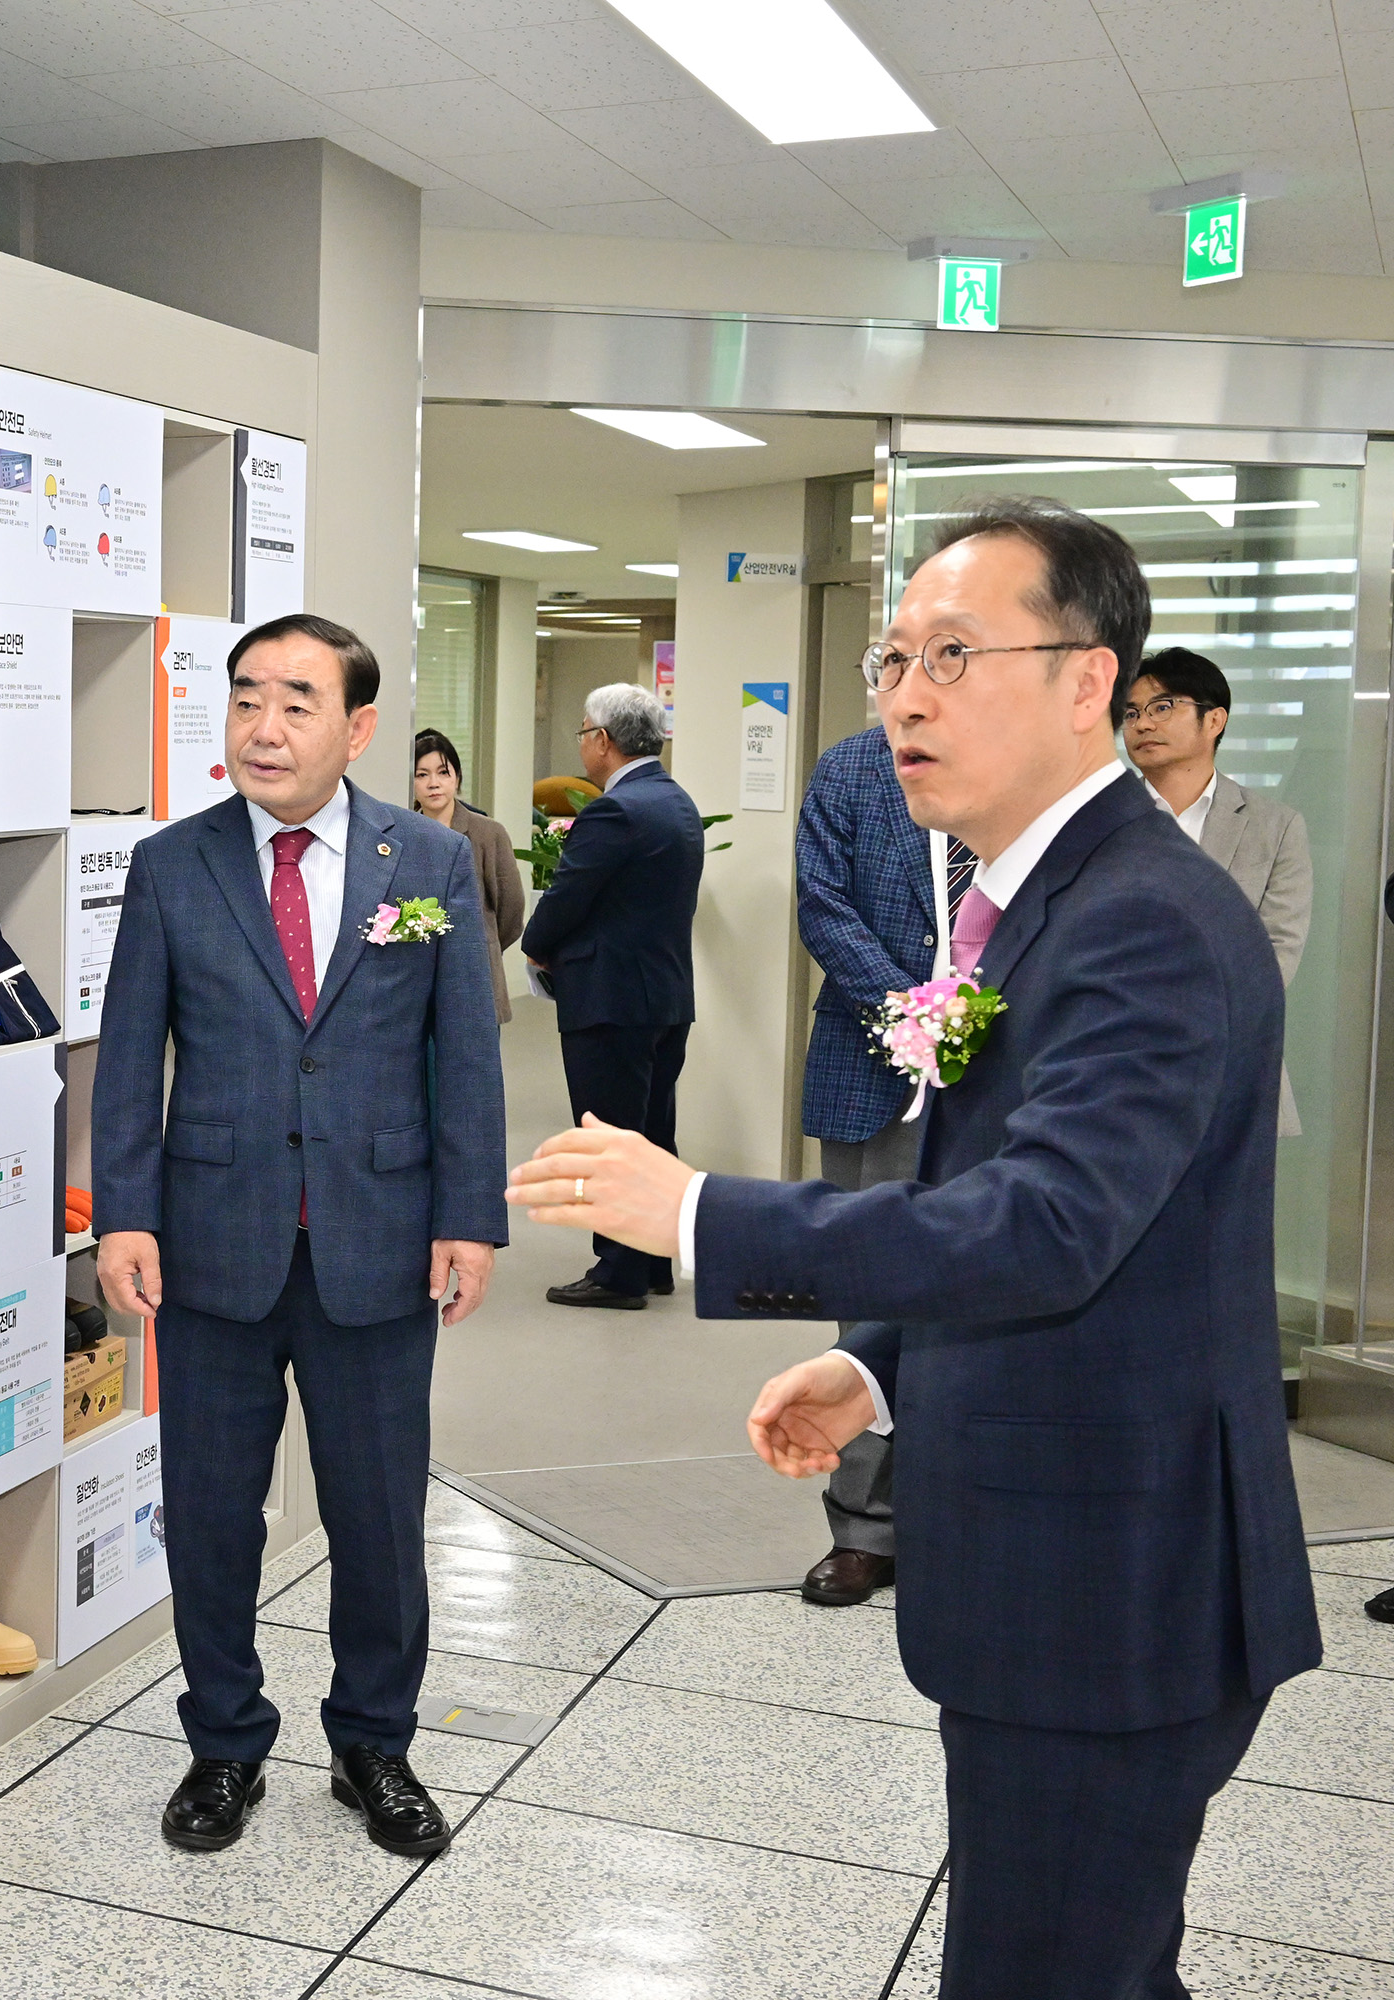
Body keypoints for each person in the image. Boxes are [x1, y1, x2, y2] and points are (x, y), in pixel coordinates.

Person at [508, 496, 1319, 2000]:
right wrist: (876, 1372)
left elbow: (1047, 1228)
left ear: (1091, 682)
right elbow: (1064, 1218)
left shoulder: (1139, 916)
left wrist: (693, 1212)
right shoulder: (1040, 900)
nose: (904, 696)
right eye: (892, 661)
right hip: (1066, 1554)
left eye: (954, 654)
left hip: (1114, 1584)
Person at [91, 612, 505, 1861]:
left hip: (377, 1237)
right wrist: (125, 1209)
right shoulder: (174, 864)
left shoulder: (426, 861)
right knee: (211, 1512)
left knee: (377, 1514)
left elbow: (465, 1055)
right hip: (214, 1241)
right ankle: (223, 1742)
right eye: (246, 698)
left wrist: (469, 1218)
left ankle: (374, 1740)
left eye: (297, 702)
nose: (264, 727)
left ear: (358, 726)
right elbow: (128, 1058)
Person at [790, 723, 972, 1607]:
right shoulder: (853, 768)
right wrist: (913, 1008)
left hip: (1006, 1059)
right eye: (897, 661)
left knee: (989, 1295)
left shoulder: (1017, 751)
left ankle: (965, 1512)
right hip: (875, 1059)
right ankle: (864, 1529)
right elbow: (821, 904)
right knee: (869, 1294)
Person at [518, 682, 702, 1308]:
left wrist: (535, 944)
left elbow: (567, 897)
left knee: (605, 1135)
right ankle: (650, 1261)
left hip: (610, 999)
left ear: (603, 740)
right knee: (650, 1133)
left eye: (583, 732)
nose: (582, 744)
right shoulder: (675, 801)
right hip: (664, 998)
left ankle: (619, 1272)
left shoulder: (615, 810)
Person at [1124, 645, 1310, 1136]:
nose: (1143, 724)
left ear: (1215, 721)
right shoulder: (1097, 818)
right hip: (1113, 1059)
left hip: (1229, 1062)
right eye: (1130, 713)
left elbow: (1278, 951)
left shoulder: (1276, 827)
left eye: (1163, 707)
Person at [411, 727, 526, 1022]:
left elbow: (511, 911)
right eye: (421, 775)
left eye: (443, 772)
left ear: (457, 778)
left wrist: (479, 943)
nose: (433, 784)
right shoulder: (402, 835)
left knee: (475, 1065)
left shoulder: (488, 833)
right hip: (415, 979)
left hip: (476, 974)